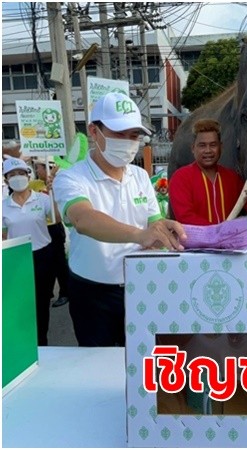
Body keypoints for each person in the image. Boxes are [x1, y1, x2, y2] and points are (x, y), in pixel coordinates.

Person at [52, 92, 186, 347]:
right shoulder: (71, 177)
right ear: (94, 131)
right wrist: (139, 234)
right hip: (92, 292)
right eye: (119, 134)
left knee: (141, 362)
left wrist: (163, 231)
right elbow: (83, 218)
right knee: (97, 367)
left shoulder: (139, 176)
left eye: (133, 136)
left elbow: (153, 226)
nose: (128, 142)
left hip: (140, 287)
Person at [3, 157, 59, 345]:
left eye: (21, 173)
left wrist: (54, 193)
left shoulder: (42, 199)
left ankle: (41, 341)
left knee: (41, 302)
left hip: (42, 256)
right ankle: (24, 342)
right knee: (20, 302)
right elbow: (3, 236)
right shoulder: (3, 206)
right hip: (16, 258)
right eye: (12, 175)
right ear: (6, 179)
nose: (17, 177)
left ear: (28, 176)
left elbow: (57, 219)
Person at [169, 119, 247, 225]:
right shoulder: (180, 178)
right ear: (193, 148)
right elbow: (185, 217)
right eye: (202, 145)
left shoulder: (233, 178)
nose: (208, 150)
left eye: (213, 145)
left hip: (229, 240)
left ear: (221, 147)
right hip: (196, 240)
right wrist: (217, 231)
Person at [30, 157, 70, 308]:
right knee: (45, 262)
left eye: (39, 167)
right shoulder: (33, 185)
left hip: (54, 227)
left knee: (59, 261)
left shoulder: (59, 183)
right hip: (39, 228)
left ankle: (65, 292)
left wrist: (52, 185)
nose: (37, 170)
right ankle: (47, 291)